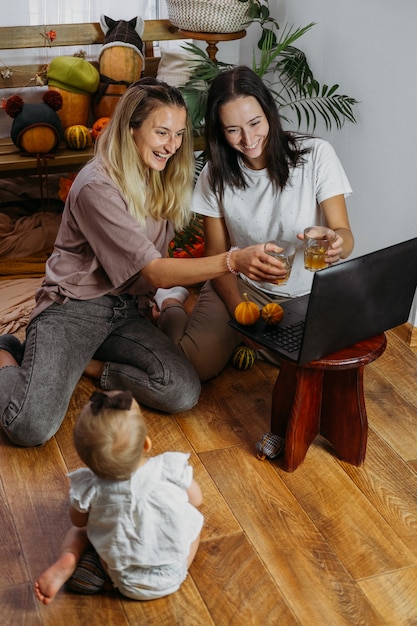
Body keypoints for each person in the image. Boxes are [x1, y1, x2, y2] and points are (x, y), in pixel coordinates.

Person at [0, 77, 286, 447]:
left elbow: (154, 267)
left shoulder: (159, 176)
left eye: (179, 134)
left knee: (182, 390)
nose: (172, 145)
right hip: (73, 310)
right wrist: (232, 260)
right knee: (30, 428)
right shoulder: (96, 186)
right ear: (131, 129)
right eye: (162, 132)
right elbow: (152, 269)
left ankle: (88, 364)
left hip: (126, 311)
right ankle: (8, 351)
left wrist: (157, 301)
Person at [157, 65, 355, 382]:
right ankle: (171, 303)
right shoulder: (214, 173)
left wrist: (336, 242)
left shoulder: (316, 155)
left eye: (254, 123)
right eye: (233, 129)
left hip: (305, 297)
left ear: (269, 114)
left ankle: (250, 344)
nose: (249, 139)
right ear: (220, 131)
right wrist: (240, 312)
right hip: (240, 288)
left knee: (320, 373)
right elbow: (217, 253)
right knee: (189, 369)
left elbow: (344, 235)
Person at [34, 389, 204, 603]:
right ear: (146, 444)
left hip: (123, 578)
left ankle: (71, 559)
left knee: (80, 532)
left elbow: (77, 520)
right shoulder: (168, 468)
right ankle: (174, 562)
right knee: (193, 522)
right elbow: (197, 499)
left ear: (87, 460)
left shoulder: (90, 487)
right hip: (171, 576)